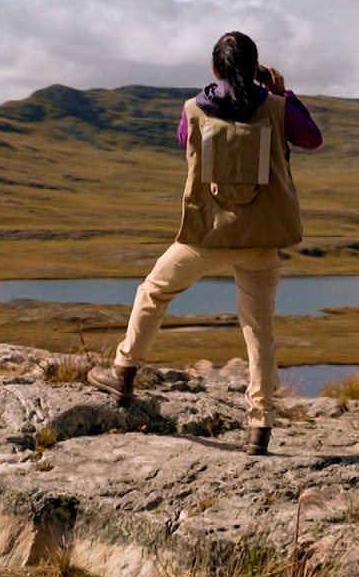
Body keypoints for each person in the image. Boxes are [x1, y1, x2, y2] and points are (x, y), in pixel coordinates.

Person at [87, 30, 322, 455]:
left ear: (214, 69)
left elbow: (184, 141)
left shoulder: (194, 109)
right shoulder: (276, 108)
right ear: (257, 69)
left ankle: (123, 373)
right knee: (259, 331)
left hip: (206, 234)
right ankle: (259, 428)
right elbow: (311, 138)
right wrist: (285, 95)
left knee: (153, 293)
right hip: (260, 238)